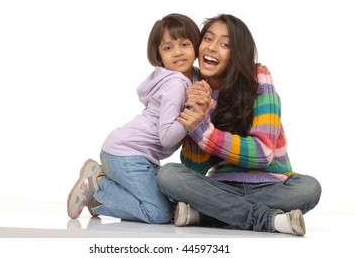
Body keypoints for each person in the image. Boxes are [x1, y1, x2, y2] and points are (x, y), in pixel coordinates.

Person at [157, 13, 322, 235]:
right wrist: (197, 115)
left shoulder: (258, 78)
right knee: (168, 174)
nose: (212, 48)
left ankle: (209, 214)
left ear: (237, 54)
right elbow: (195, 168)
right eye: (208, 39)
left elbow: (263, 153)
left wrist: (204, 131)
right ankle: (269, 220)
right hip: (221, 185)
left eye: (225, 44)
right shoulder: (194, 88)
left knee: (309, 188)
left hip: (271, 185)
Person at [67, 13, 202, 223]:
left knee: (165, 205)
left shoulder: (191, 76)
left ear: (196, 45)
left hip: (135, 155)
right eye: (168, 48)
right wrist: (193, 117)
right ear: (159, 54)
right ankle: (98, 184)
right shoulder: (175, 84)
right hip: (127, 154)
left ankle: (100, 199)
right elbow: (167, 137)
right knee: (160, 214)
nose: (177, 53)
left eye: (184, 44)